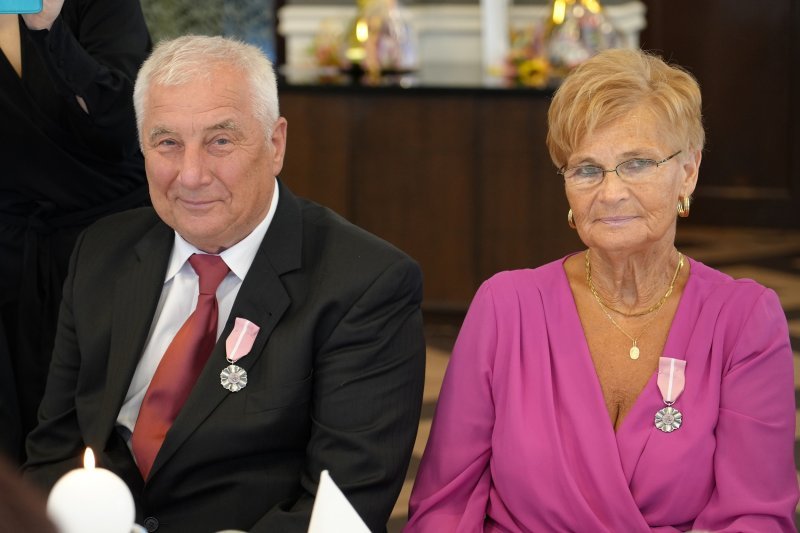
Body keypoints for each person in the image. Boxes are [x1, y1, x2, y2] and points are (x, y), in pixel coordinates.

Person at [23, 35, 425, 533]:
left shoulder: (365, 284)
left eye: (220, 141)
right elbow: (54, 450)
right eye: (167, 143)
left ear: (275, 144)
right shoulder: (102, 251)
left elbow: (340, 507)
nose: (191, 175)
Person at [405, 48, 798, 531]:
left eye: (637, 163)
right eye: (587, 169)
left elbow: (755, 516)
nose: (610, 193)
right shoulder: (506, 308)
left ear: (688, 172)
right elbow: (443, 505)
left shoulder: (744, 321)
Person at [0, 0, 151, 463]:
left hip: (106, 245)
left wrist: (48, 28)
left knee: (99, 428)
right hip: (10, 251)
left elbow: (123, 125)